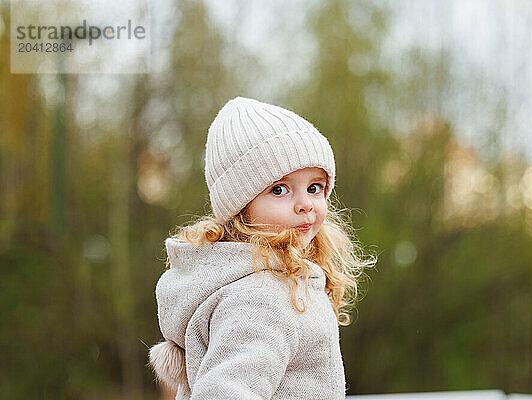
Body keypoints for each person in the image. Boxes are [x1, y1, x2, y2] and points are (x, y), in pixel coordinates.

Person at [148, 96, 376, 399]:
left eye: (314, 187)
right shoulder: (260, 298)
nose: (305, 204)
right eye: (279, 190)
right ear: (242, 208)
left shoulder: (278, 282)